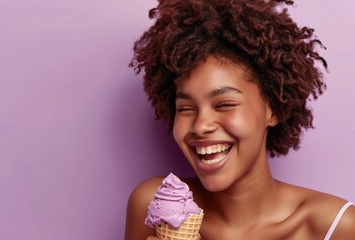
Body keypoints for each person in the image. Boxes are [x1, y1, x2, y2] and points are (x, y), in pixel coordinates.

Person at [125, 0, 355, 239]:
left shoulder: (335, 227)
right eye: (185, 108)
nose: (201, 125)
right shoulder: (154, 206)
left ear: (273, 108)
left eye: (224, 104)